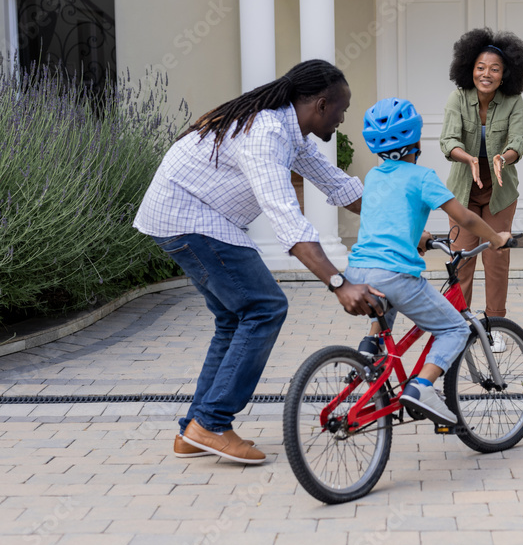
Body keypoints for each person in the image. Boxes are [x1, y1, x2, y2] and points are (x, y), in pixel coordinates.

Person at [133, 59, 383, 465]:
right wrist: (339, 284)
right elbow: (287, 219)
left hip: (194, 219)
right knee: (264, 306)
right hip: (189, 218)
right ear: (322, 104)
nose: (343, 118)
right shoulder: (265, 133)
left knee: (235, 318)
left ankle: (195, 429)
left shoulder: (291, 132)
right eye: (343, 109)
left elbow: (340, 187)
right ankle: (212, 424)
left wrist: (405, 226)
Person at [345, 97, 511, 425]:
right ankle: (422, 386)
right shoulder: (423, 176)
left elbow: (385, 219)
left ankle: (368, 352)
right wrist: (495, 237)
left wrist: (419, 236)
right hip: (394, 273)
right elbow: (463, 216)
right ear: (417, 141)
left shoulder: (374, 177)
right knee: (453, 328)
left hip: (357, 271)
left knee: (386, 302)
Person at [439, 28, 523, 319]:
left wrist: (502, 159)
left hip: (499, 191)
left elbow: (519, 140)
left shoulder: (513, 101)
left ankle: (495, 324)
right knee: (462, 262)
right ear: (470, 69)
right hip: (463, 191)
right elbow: (448, 140)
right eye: (480, 68)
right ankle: (459, 324)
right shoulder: (457, 98)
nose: (486, 74)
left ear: (505, 74)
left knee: (496, 259)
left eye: (495, 69)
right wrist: (468, 158)